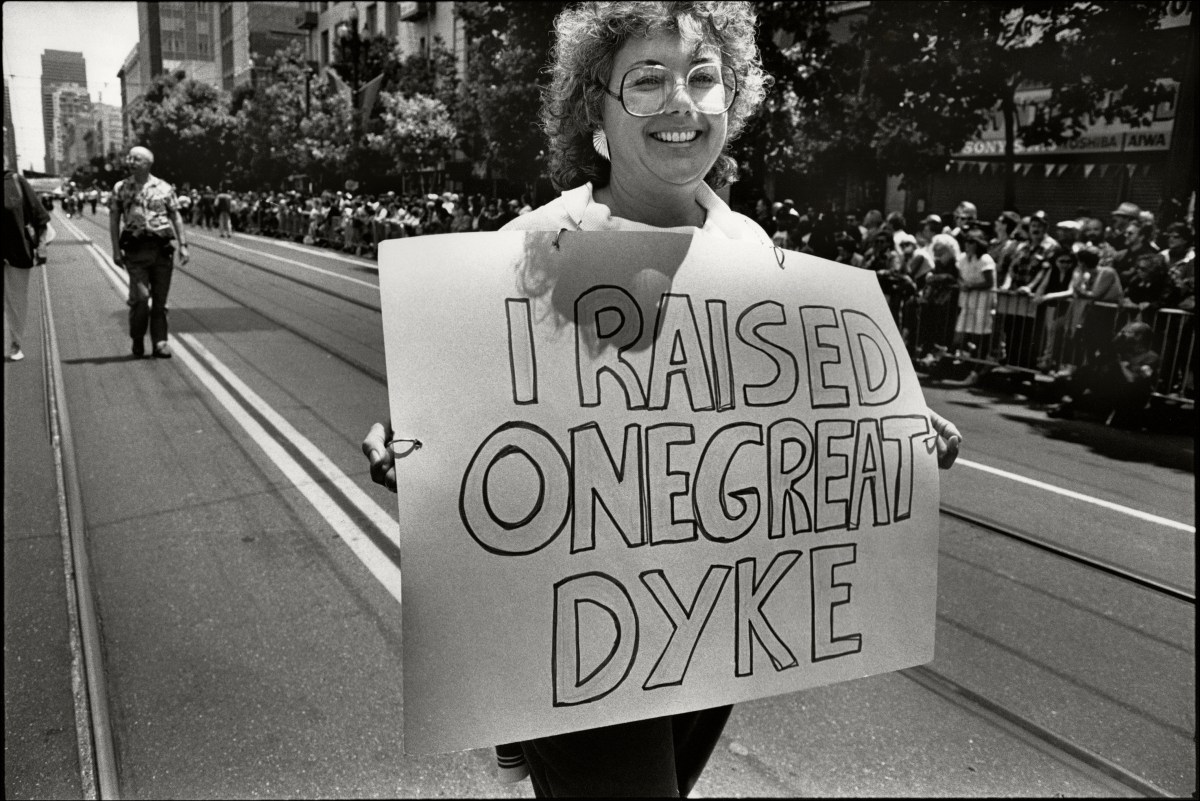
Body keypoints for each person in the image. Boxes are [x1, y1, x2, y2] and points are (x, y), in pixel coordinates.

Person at [361, 3, 961, 796]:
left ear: (731, 102)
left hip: (706, 618)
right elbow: (458, 414)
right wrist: (414, 447)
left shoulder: (751, 250)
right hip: (573, 632)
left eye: (704, 78)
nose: (682, 101)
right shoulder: (532, 245)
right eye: (647, 81)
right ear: (595, 110)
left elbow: (794, 420)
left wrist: (892, 433)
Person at [109, 146, 189, 359]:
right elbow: (114, 219)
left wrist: (183, 244)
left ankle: (160, 342)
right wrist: (116, 250)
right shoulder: (121, 187)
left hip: (161, 251)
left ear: (147, 163)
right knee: (141, 298)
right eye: (130, 158)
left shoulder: (164, 187)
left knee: (160, 302)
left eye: (136, 159)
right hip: (136, 252)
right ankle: (137, 336)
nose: (131, 161)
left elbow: (175, 216)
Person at [1047, 321, 1160, 428]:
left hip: (1131, 396)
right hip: (1113, 390)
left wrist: (1120, 364)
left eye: (1128, 332)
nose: (1123, 335)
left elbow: (1133, 380)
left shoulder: (1151, 357)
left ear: (1139, 337)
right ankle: (1069, 405)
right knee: (1089, 372)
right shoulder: (1122, 350)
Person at [4, 153, 52, 361]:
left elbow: (39, 215)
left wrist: (41, 246)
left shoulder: (15, 181)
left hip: (17, 251)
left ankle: (16, 343)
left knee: (16, 301)